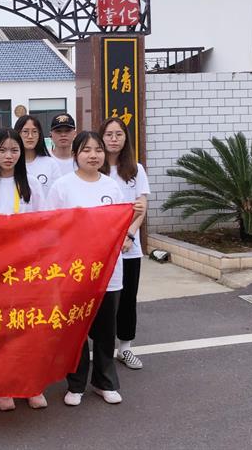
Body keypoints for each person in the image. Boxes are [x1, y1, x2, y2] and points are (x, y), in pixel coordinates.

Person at [47, 131, 126, 407]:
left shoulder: (112, 187)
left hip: (108, 273)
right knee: (76, 330)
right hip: (74, 273)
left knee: (105, 331)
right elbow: (51, 227)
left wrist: (129, 230)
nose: (93, 155)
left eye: (98, 150)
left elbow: (121, 225)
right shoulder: (62, 187)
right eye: (86, 150)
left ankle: (105, 382)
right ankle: (76, 384)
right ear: (75, 154)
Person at [0, 128, 46, 411]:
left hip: (26, 269)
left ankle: (31, 384)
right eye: (2, 150)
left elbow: (44, 224)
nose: (8, 156)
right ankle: (2, 386)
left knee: (27, 327)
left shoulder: (32, 185)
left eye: (14, 150)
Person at [99, 117, 150, 370]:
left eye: (118, 134)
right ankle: (99, 348)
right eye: (109, 134)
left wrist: (129, 235)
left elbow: (141, 206)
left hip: (129, 248)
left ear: (125, 138)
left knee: (128, 298)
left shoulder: (135, 169)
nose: (113, 139)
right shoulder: (95, 170)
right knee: (101, 300)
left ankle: (125, 347)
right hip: (101, 249)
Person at [14, 115, 60, 194]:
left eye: (34, 132)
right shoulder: (11, 163)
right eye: (25, 131)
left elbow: (59, 193)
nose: (30, 136)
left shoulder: (50, 164)